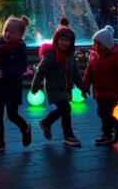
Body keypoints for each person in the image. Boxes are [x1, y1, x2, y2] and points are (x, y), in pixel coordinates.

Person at [0, 16, 32, 154]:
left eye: (12, 32)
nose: (7, 34)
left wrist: (6, 73)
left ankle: (25, 127)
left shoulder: (20, 49)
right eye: (6, 30)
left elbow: (22, 67)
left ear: (20, 35)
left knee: (12, 115)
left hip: (12, 87)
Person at [31, 18, 87, 147]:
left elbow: (75, 73)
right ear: (56, 40)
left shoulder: (70, 55)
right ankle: (68, 135)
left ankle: (46, 123)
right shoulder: (51, 55)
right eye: (62, 39)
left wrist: (82, 86)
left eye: (67, 40)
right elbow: (41, 70)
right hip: (53, 88)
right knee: (66, 109)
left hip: (65, 88)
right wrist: (35, 85)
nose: (64, 43)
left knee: (64, 110)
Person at [83, 25, 118, 146]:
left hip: (112, 91)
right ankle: (107, 135)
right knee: (104, 114)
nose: (96, 46)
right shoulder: (93, 56)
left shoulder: (115, 57)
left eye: (99, 44)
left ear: (107, 45)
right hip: (99, 91)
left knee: (102, 112)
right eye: (95, 43)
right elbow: (89, 72)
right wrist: (85, 86)